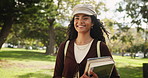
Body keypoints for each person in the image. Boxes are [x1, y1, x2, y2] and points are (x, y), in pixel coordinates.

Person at [53, 4, 120, 78]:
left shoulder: (100, 47)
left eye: (85, 18)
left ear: (92, 23)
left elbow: (114, 76)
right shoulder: (64, 46)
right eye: (77, 18)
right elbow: (56, 76)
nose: (80, 21)